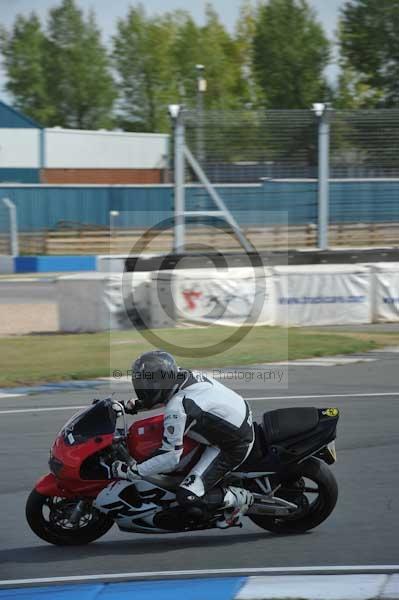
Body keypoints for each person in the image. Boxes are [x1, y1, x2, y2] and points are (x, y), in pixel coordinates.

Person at [112, 350, 255, 528]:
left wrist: (132, 471)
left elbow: (171, 457)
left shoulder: (178, 408)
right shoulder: (181, 375)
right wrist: (130, 406)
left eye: (148, 384)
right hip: (235, 416)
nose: (143, 388)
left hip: (232, 445)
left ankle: (238, 498)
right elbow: (163, 395)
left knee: (187, 496)